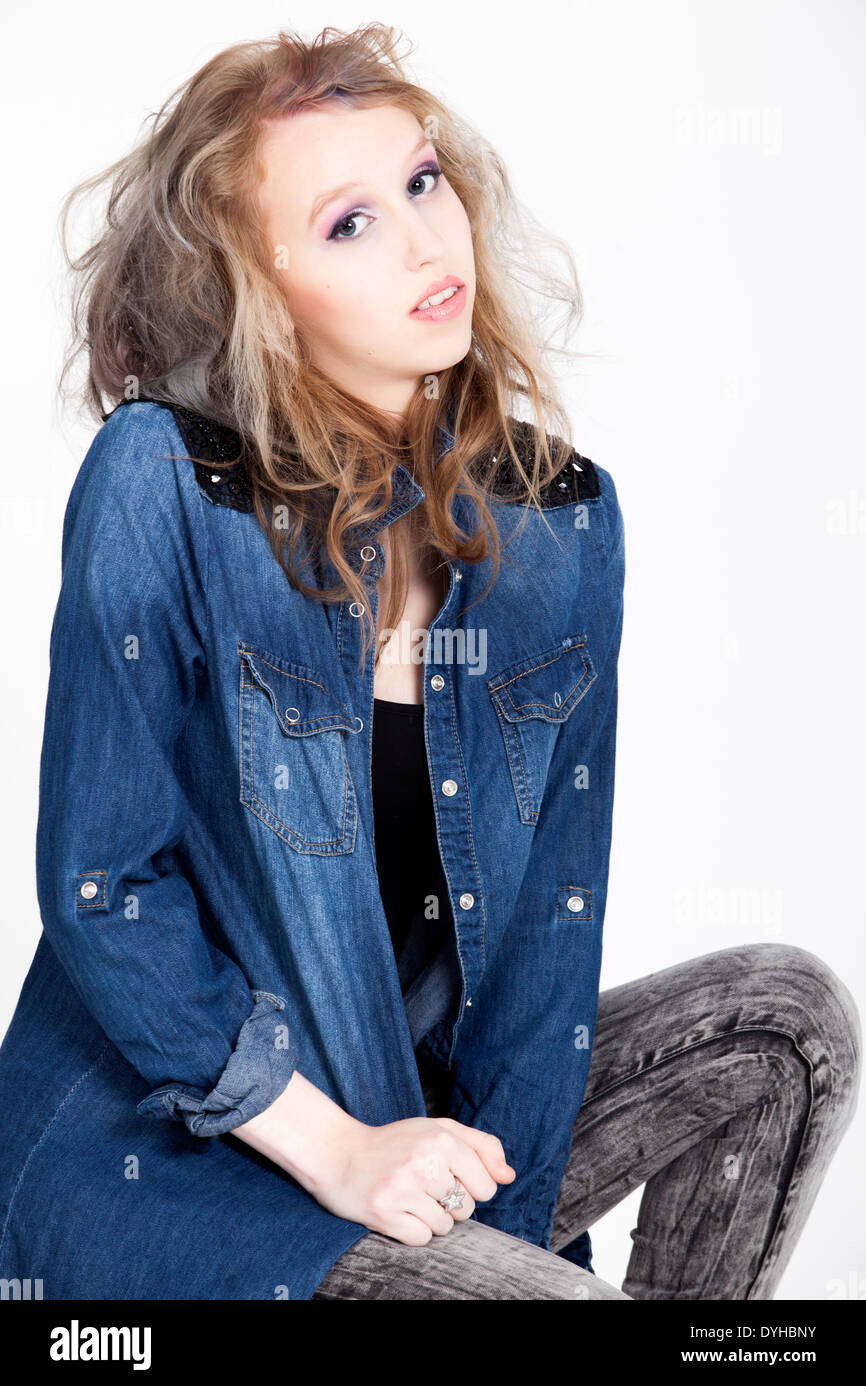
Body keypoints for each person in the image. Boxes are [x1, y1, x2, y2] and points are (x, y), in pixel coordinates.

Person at [0, 24, 859, 1303]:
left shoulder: (559, 524)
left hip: (408, 1137)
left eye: (420, 181)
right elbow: (102, 887)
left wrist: (490, 1244)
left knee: (786, 1023)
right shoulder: (167, 485)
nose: (422, 237)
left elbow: (542, 957)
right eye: (347, 223)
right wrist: (342, 1154)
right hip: (186, 1168)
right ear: (255, 288)